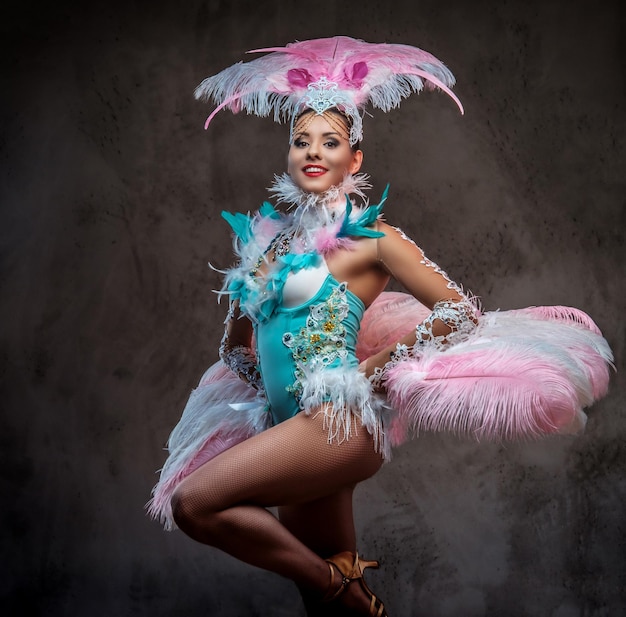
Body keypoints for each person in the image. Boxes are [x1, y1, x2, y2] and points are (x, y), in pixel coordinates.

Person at [148, 38, 612, 616]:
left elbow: (458, 311)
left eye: (331, 142)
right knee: (330, 613)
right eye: (301, 141)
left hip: (338, 424)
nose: (313, 153)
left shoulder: (372, 238)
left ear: (355, 158)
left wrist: (369, 369)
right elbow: (234, 347)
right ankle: (339, 590)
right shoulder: (266, 246)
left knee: (197, 504)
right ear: (289, 153)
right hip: (291, 428)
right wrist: (270, 382)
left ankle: (334, 582)